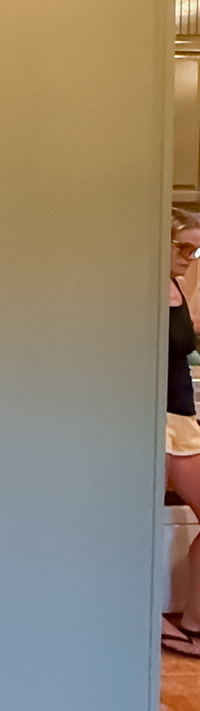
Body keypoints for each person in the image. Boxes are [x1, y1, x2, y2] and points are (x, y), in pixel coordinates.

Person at [165, 210, 200, 655]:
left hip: (182, 420)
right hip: (158, 419)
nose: (188, 257)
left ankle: (193, 619)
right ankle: (151, 617)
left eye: (194, 250)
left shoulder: (177, 285)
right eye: (181, 248)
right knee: (127, 523)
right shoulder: (138, 285)